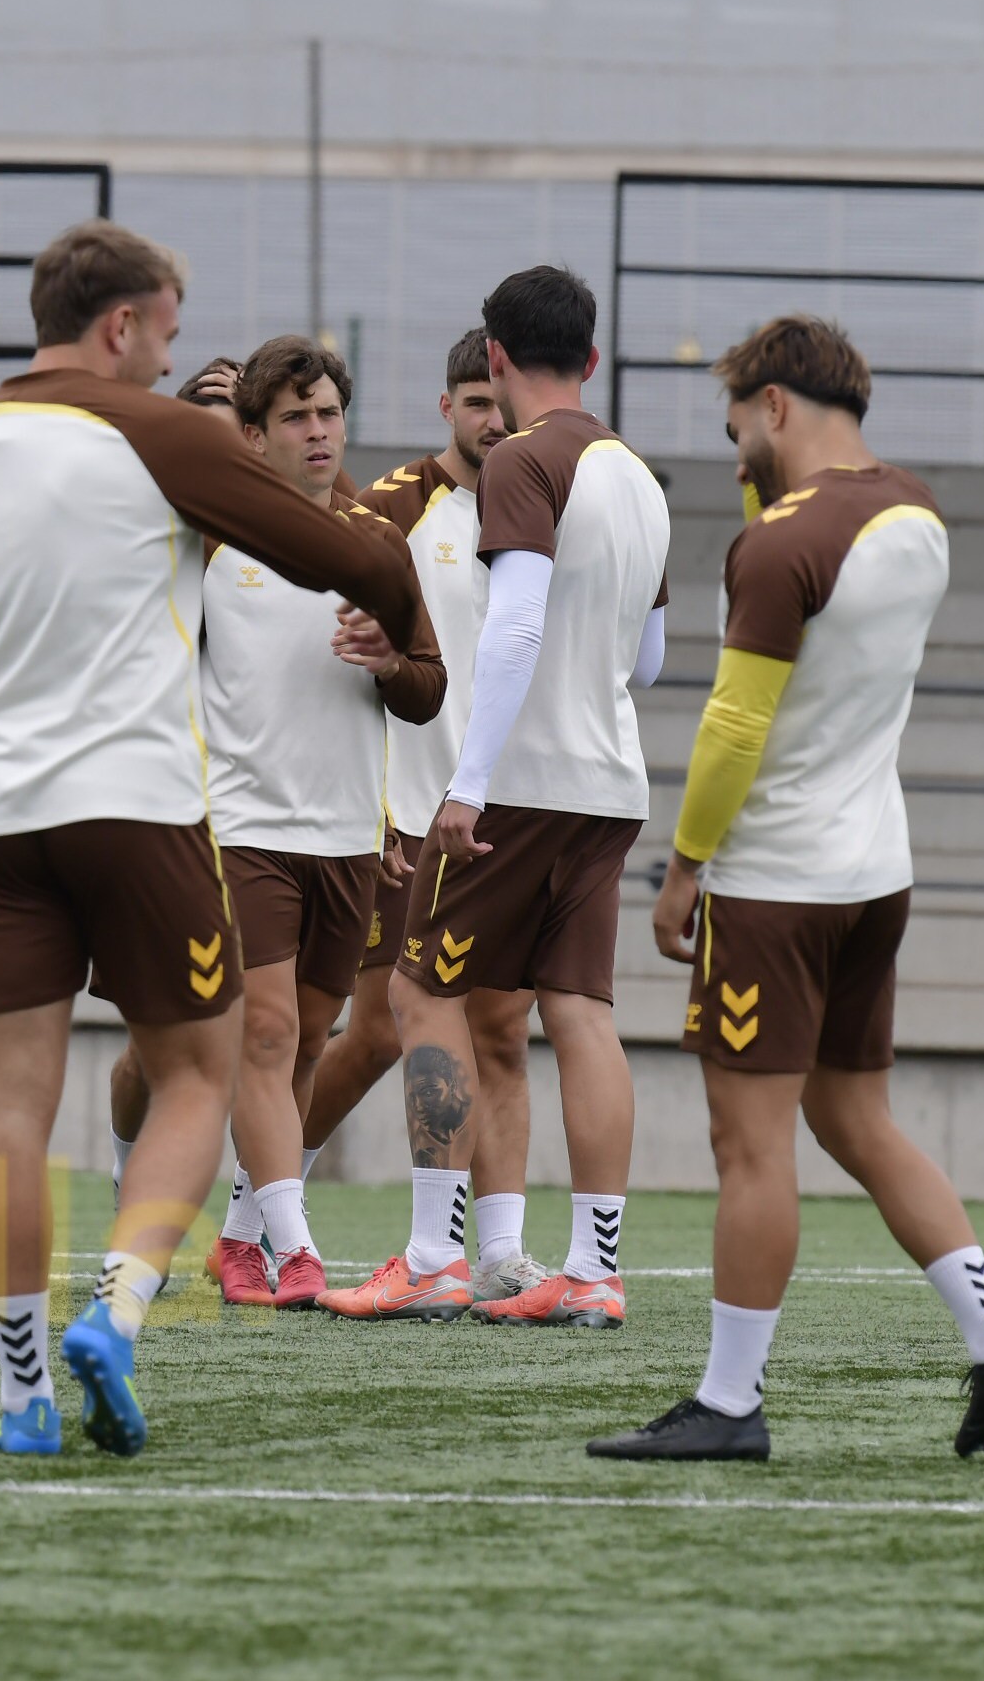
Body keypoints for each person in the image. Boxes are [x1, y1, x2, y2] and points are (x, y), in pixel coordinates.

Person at [0, 219, 427, 1457]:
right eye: (165, 339)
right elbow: (341, 554)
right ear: (121, 326)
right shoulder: (156, 433)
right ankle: (114, 1313)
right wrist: (395, 604)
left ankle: (19, 1402)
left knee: (9, 1107)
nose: (170, 369)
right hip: (142, 807)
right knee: (197, 1072)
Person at [594, 316, 984, 1460]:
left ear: (775, 405)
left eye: (736, 421)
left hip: (773, 881)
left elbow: (736, 722)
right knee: (854, 1116)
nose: (732, 442)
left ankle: (730, 1404)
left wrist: (682, 866)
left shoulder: (780, 544)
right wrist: (766, 502)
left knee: (750, 1147)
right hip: (872, 873)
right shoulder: (915, 511)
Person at [328, 266, 669, 1330]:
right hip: (608, 780)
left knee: (416, 993)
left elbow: (515, 624)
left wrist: (465, 786)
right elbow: (649, 661)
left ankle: (433, 1254)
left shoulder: (520, 459)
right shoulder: (638, 476)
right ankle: (593, 1270)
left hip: (516, 784)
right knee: (578, 1015)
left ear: (492, 359)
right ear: (593, 357)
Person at [181, 336, 444, 1311]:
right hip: (240, 826)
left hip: (348, 838)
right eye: (293, 417)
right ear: (251, 437)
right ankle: (296, 1251)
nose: (317, 431)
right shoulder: (205, 543)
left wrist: (386, 660)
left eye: (327, 413)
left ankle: (242, 1237)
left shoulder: (377, 545)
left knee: (301, 1049)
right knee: (266, 1033)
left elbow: (426, 691)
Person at [308, 329, 547, 1310]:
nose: (490, 422)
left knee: (499, 1030)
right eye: (472, 403)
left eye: (498, 404)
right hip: (405, 814)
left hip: (513, 811)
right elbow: (339, 651)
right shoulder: (391, 509)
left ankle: (496, 1253)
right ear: (447, 407)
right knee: (371, 1032)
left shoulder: (546, 502)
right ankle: (254, 1209)